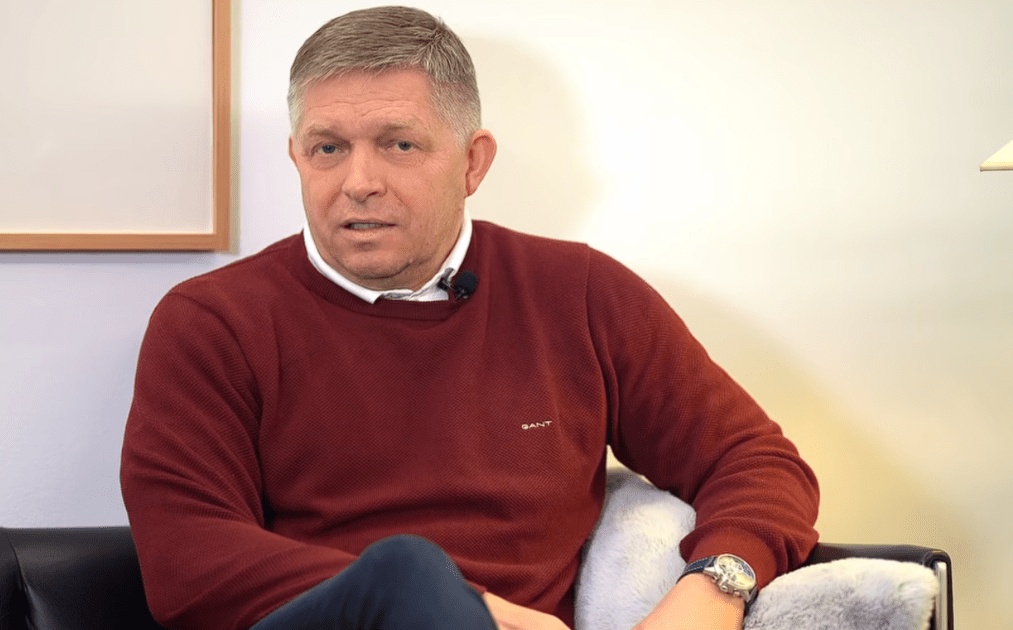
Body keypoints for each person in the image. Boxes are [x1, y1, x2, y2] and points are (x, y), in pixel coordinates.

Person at [120, 6, 819, 630]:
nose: (358, 182)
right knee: (405, 569)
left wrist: (715, 588)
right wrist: (457, 605)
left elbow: (755, 462)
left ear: (472, 163)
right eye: (328, 148)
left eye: (399, 144)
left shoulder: (580, 294)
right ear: (298, 157)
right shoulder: (212, 322)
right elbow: (187, 560)